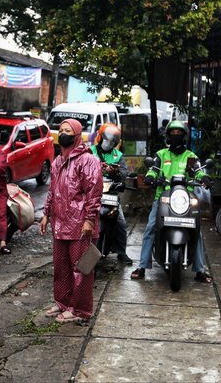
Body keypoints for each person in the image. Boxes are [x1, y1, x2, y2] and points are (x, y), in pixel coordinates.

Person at [130, 120, 213, 282]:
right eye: (173, 134)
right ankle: (142, 266)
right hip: (164, 197)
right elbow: (153, 169)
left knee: (197, 231)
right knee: (150, 228)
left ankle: (200, 270)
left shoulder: (190, 156)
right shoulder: (161, 155)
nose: (176, 136)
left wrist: (204, 177)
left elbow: (197, 171)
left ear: (184, 137)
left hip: (186, 199)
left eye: (179, 134)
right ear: (168, 136)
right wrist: (151, 177)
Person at [40, 118, 102, 324]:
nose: (63, 133)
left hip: (79, 224)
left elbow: (93, 192)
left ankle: (81, 309)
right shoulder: (58, 161)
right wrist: (46, 214)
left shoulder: (88, 160)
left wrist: (89, 220)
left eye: (68, 130)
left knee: (81, 268)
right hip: (60, 222)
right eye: (61, 129)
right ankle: (63, 302)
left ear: (77, 136)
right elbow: (52, 191)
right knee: (61, 266)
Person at [90, 123, 132, 265]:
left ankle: (121, 252)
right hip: (92, 193)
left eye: (112, 142)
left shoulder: (118, 155)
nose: (109, 144)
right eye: (107, 140)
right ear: (100, 138)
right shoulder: (90, 152)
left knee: (120, 222)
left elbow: (124, 173)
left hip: (111, 193)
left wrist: (117, 173)